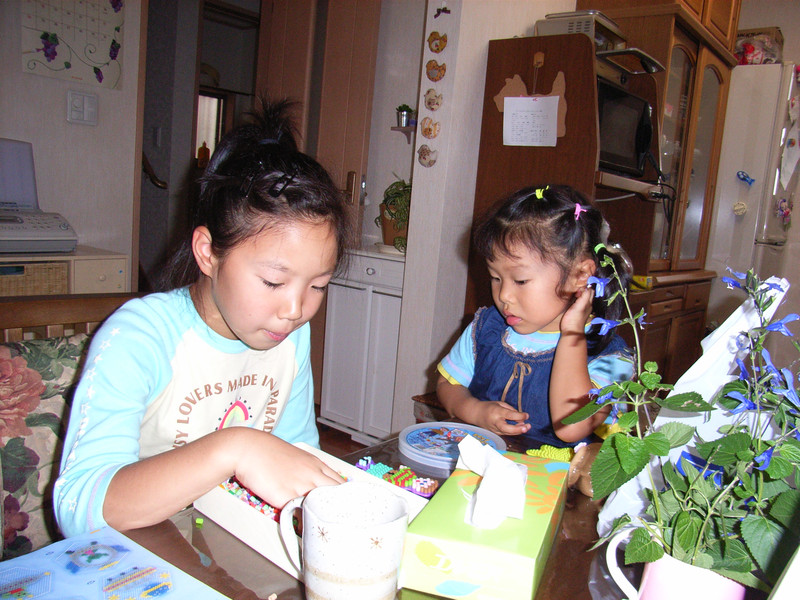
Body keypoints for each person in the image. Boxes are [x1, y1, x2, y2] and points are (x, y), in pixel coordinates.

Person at [54, 99, 350, 537]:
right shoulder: (141, 337)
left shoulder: (288, 337)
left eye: (318, 286)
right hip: (136, 552)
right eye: (273, 282)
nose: (295, 311)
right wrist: (235, 449)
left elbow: (295, 452)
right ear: (208, 253)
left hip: (222, 546)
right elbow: (77, 508)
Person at [436, 184, 633, 448]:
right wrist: (476, 411)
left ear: (580, 275)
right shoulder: (485, 328)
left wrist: (572, 333)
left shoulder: (609, 357)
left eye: (520, 280)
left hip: (562, 474)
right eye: (495, 277)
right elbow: (446, 385)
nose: (504, 295)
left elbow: (571, 426)